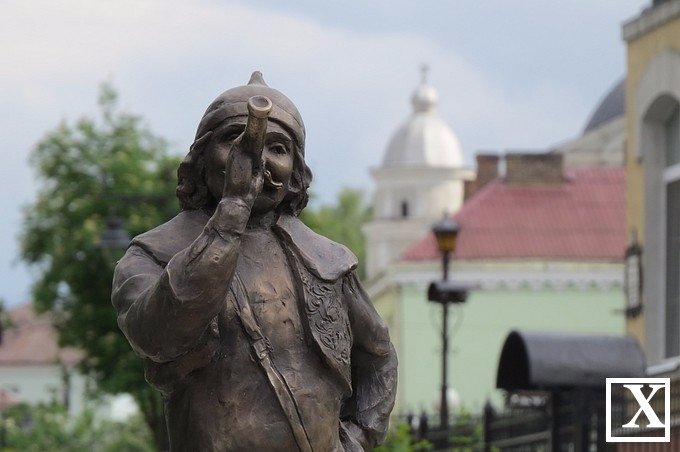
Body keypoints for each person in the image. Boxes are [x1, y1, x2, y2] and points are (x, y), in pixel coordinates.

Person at [111, 72, 397, 452]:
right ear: (202, 157)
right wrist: (233, 210)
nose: (257, 158)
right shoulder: (154, 253)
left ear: (294, 172)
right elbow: (157, 336)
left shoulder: (326, 260)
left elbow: (378, 355)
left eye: (278, 148)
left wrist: (357, 438)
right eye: (235, 140)